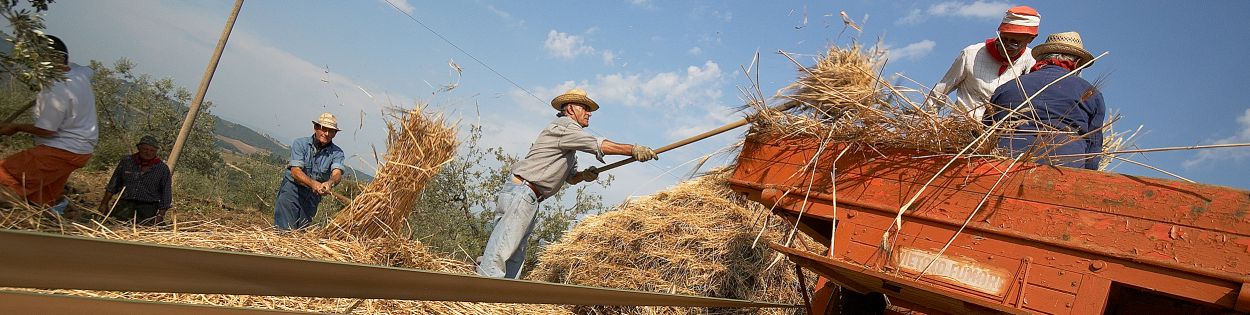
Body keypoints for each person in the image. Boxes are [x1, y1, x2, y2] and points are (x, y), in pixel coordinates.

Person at [476, 88, 658, 278]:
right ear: (571, 109)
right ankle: (482, 292)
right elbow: (599, 144)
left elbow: (570, 177)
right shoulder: (565, 127)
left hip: (527, 195)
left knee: (514, 253)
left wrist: (584, 175)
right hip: (523, 192)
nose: (589, 113)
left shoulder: (569, 142)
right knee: (502, 250)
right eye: (585, 108)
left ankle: (501, 296)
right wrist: (633, 149)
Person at [0, 35, 98, 214]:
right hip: (80, 151)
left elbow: (46, 130)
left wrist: (15, 127)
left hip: (60, 151)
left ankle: (13, 219)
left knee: (5, 178)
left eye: (40, 60)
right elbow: (90, 69)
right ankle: (62, 215)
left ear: (57, 59)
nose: (37, 66)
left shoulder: (56, 88)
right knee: (40, 201)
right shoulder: (79, 74)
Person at [984, 32, 1104, 170]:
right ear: (1076, 63)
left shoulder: (1007, 87)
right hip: (1065, 165)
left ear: (1041, 58)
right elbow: (1093, 150)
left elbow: (986, 133)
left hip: (1002, 163)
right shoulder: (1091, 93)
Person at [929, 6, 1041, 122]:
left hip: (1002, 133)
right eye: (1003, 39)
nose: (1006, 45)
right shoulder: (970, 54)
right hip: (961, 129)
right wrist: (932, 124)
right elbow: (939, 92)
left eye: (1014, 42)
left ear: (1031, 39)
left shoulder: (1032, 61)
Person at [273, 112, 345, 230]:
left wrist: (329, 183)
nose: (326, 133)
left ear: (335, 134)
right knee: (284, 231)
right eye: (323, 129)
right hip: (292, 190)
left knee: (300, 231)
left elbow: (337, 173)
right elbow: (295, 172)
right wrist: (313, 183)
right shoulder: (300, 144)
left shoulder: (337, 153)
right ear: (316, 128)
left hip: (312, 196)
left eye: (331, 131)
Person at [99, 135, 172, 225]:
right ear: (139, 148)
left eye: (152, 150)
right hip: (124, 205)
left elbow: (166, 193)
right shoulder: (127, 162)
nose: (148, 153)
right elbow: (113, 184)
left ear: (156, 152)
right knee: (115, 226)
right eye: (145, 149)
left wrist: (160, 215)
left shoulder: (162, 169)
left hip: (148, 209)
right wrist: (104, 203)